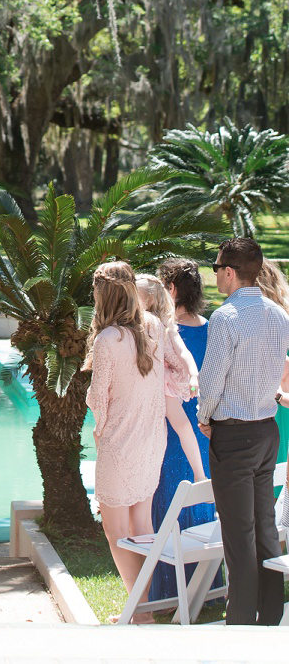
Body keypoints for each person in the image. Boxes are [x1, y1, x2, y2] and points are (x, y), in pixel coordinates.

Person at [197, 235, 289, 626]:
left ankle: (239, 624)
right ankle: (269, 617)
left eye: (217, 268)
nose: (215, 275)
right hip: (267, 431)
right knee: (264, 529)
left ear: (230, 272)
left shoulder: (226, 317)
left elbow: (211, 379)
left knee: (238, 535)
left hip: (233, 433)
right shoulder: (280, 314)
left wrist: (205, 416)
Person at [85, 260, 165, 622]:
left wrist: (97, 425)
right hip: (151, 437)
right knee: (141, 523)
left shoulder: (107, 339)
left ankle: (140, 609)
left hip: (119, 442)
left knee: (115, 529)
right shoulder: (154, 325)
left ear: (103, 294)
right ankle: (143, 605)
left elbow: (98, 399)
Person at [148, 257, 214, 604]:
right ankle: (207, 588)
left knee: (170, 492)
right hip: (203, 424)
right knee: (202, 491)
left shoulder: (163, 333)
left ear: (171, 289)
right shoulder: (211, 327)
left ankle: (169, 590)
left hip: (172, 424)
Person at [135, 274, 206, 482]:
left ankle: (199, 474)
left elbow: (183, 351)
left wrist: (194, 374)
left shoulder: (167, 324)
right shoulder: (135, 325)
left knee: (183, 426)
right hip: (148, 379)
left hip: (163, 379)